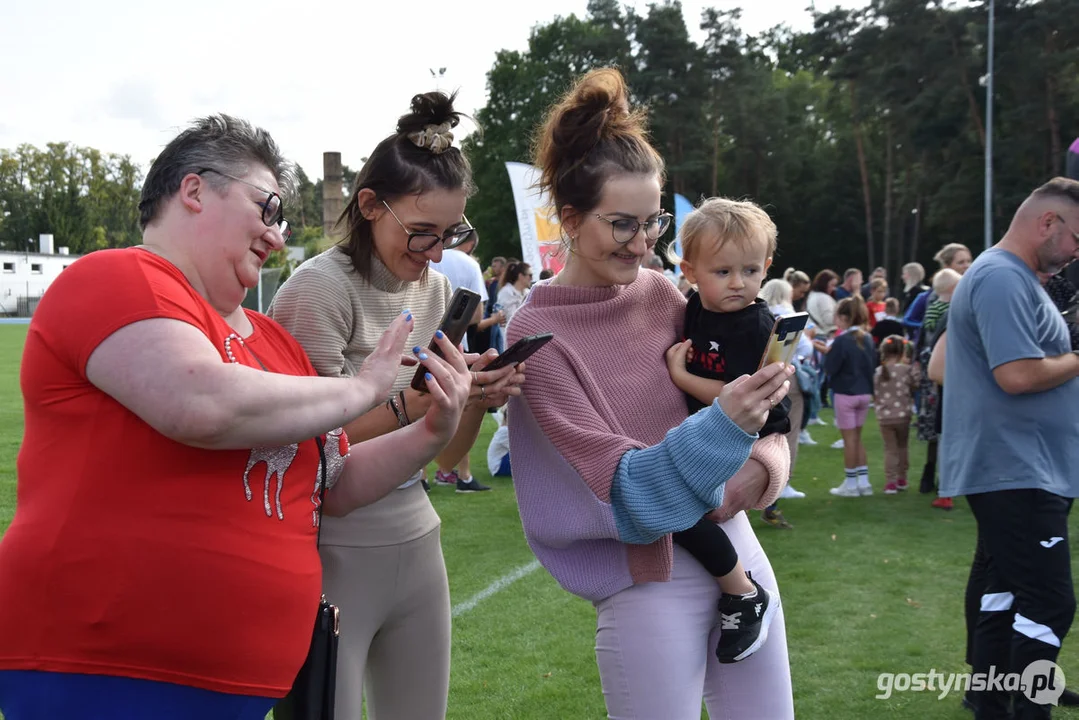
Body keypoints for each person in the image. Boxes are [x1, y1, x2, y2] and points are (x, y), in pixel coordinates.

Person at [0, 115, 473, 720]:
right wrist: (365, 389)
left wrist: (431, 428)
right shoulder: (116, 274)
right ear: (194, 190)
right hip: (106, 669)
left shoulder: (275, 343)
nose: (277, 237)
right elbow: (201, 405)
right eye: (267, 208)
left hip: (230, 690)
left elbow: (336, 482)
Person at [506, 67, 795, 719]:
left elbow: (770, 420)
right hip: (645, 581)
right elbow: (630, 489)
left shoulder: (664, 293)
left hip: (737, 549)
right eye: (621, 225)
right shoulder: (536, 333)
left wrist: (763, 472)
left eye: (653, 223)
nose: (642, 245)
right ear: (569, 219)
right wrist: (730, 435)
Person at [268, 93, 524, 720]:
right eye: (422, 232)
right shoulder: (316, 289)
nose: (436, 253)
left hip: (418, 532)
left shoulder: (436, 288)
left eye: (453, 233)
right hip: (330, 544)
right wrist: (415, 405)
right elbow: (309, 445)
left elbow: (447, 456)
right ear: (368, 206)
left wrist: (467, 402)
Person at [939, 177, 1079, 720]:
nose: (1075, 254)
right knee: (1049, 600)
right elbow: (1018, 375)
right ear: (1049, 223)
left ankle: (993, 700)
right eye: (1076, 239)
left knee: (1002, 592)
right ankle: (1031, 706)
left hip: (1022, 463)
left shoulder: (1010, 275)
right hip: (1017, 467)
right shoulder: (1001, 277)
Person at [664, 197, 786, 660]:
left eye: (751, 270)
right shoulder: (695, 306)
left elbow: (734, 393)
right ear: (691, 271)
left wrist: (680, 378)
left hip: (747, 430)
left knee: (676, 505)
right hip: (714, 430)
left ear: (767, 267)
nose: (739, 283)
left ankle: (742, 593)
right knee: (671, 503)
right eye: (723, 272)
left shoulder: (753, 324)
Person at [429, 229, 504, 492]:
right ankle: (462, 474)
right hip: (455, 347)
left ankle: (420, 476)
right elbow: (476, 315)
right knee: (460, 409)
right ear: (471, 243)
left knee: (416, 408)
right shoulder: (469, 264)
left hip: (419, 343)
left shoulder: (424, 257)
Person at [824, 295, 878, 497]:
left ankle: (851, 483)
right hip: (864, 393)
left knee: (849, 440)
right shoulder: (867, 339)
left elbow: (830, 368)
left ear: (844, 318)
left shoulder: (841, 341)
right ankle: (864, 482)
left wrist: (828, 353)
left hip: (845, 393)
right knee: (857, 438)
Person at [874, 335, 919, 494]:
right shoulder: (906, 370)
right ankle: (902, 478)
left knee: (890, 449)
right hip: (903, 415)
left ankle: (890, 482)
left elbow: (876, 391)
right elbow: (916, 384)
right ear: (902, 352)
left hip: (884, 417)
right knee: (902, 447)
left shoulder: (879, 371)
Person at [497, 261, 532, 327]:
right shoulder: (506, 292)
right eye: (530, 275)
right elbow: (510, 319)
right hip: (509, 334)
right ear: (521, 276)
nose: (531, 278)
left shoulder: (528, 292)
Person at [806, 269, 839, 337]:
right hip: (822, 335)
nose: (834, 289)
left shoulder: (812, 295)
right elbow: (828, 319)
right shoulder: (824, 298)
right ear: (824, 284)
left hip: (812, 333)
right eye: (832, 285)